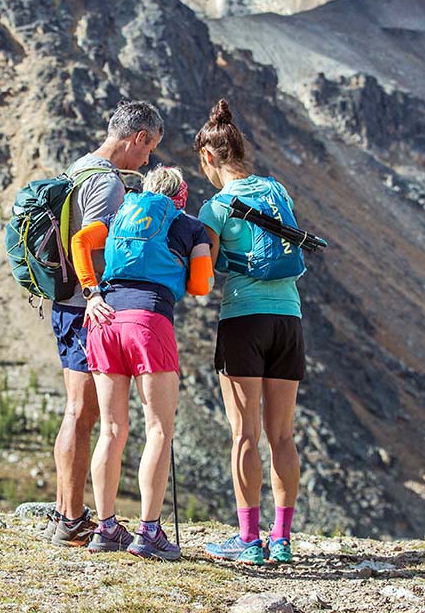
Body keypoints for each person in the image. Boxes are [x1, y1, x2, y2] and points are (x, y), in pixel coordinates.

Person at [71, 166, 213, 560]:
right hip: (149, 323)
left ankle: (106, 527)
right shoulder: (189, 226)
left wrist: (91, 292)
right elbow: (202, 286)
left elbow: (81, 240)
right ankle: (149, 532)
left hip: (104, 319)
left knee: (112, 430)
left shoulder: (120, 216)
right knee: (158, 430)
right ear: (180, 196)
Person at [44, 100, 164, 547]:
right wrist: (95, 294)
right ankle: (72, 519)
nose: (148, 159)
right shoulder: (108, 184)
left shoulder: (78, 168)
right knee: (83, 412)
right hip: (84, 308)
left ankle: (65, 514)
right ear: (137, 137)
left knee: (77, 412)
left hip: (65, 304)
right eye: (149, 147)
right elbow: (89, 244)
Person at [196, 99, 305, 566]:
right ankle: (280, 539)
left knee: (244, 436)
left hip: (244, 320)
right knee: (283, 435)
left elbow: (202, 279)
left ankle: (248, 541)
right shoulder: (278, 192)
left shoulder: (217, 206)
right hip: (290, 319)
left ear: (208, 158)